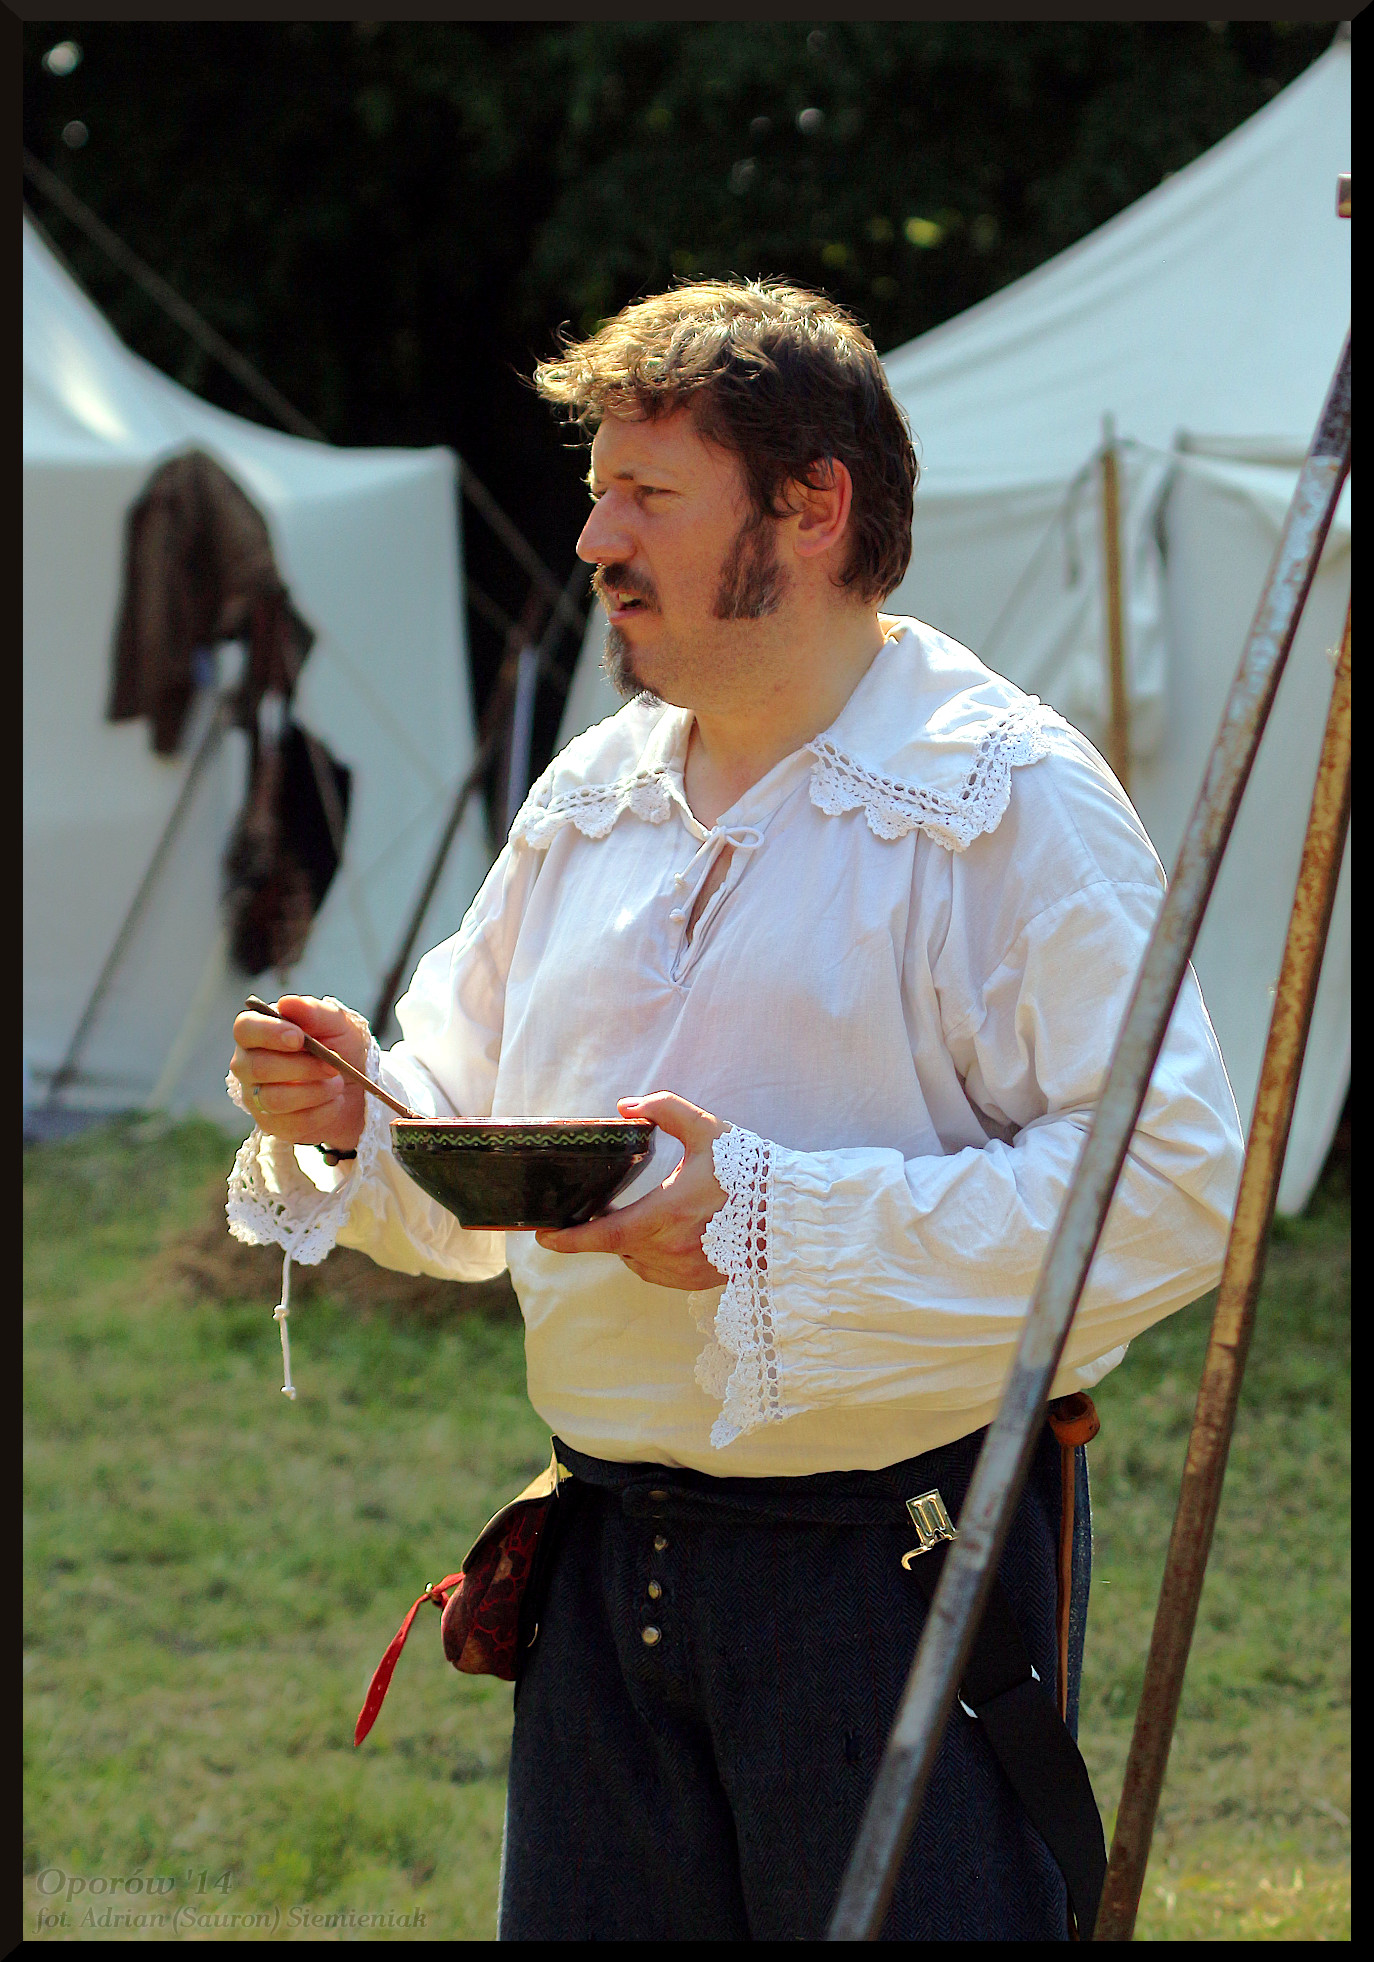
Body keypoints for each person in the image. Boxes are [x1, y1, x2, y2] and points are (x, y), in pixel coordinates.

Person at [227, 280, 1243, 1941]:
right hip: (603, 1559)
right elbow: (457, 1137)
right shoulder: (595, 792)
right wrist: (360, 1114)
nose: (593, 538)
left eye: (647, 493)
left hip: (889, 1569)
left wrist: (770, 1220)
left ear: (811, 506)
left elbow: (1173, 1185)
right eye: (596, 490)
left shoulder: (1000, 797)